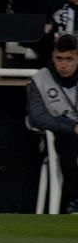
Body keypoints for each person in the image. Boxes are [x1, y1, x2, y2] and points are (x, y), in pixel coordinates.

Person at [26, 34, 78, 213]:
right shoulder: (40, 79)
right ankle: (75, 199)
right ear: (52, 56)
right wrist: (70, 126)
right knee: (68, 138)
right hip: (57, 140)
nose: (63, 65)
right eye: (59, 59)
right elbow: (38, 117)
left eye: (70, 59)